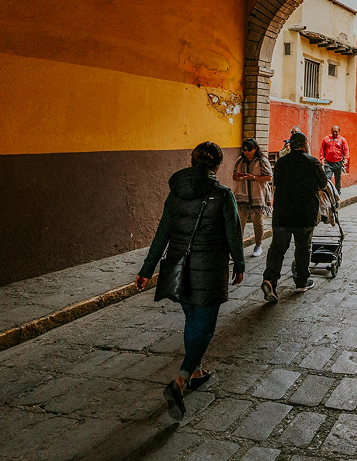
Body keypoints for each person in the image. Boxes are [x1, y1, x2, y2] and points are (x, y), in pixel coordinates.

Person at [135, 142, 244, 420]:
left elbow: (162, 233)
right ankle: (180, 382)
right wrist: (240, 264)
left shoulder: (176, 193)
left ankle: (196, 371)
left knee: (192, 320)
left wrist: (147, 269)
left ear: (193, 161)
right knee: (204, 328)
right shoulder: (222, 195)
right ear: (217, 165)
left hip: (179, 270)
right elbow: (233, 234)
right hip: (209, 270)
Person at [263, 132, 329, 302]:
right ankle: (301, 281)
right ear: (305, 145)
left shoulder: (281, 162)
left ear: (290, 145)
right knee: (303, 248)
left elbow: (276, 184)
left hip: (282, 213)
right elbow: (323, 184)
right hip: (305, 213)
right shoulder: (312, 162)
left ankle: (270, 280)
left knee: (277, 249)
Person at [232, 138, 272, 257]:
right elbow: (234, 176)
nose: (246, 152)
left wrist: (253, 178)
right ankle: (237, 248)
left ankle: (258, 245)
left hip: (257, 195)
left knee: (257, 222)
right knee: (240, 223)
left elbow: (269, 177)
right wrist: (238, 178)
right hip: (242, 196)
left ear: (255, 149)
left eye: (249, 149)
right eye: (244, 150)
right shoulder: (240, 161)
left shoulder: (262, 161)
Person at [320, 125, 350, 191]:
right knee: (328, 178)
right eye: (333, 131)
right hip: (328, 162)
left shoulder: (342, 140)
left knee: (337, 179)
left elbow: (346, 150)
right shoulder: (326, 139)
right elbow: (322, 149)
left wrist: (346, 159)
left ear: (339, 132)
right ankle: (328, 192)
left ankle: (337, 192)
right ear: (331, 131)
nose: (334, 133)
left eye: (336, 132)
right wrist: (321, 158)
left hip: (338, 162)